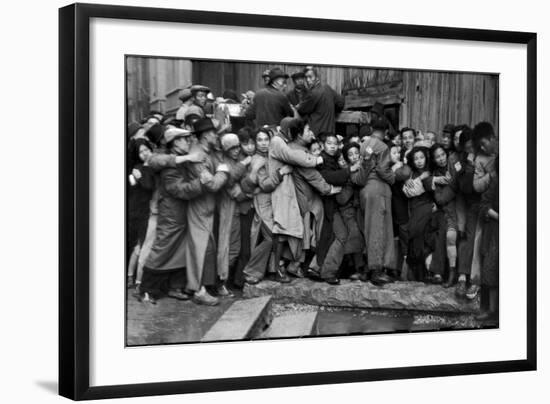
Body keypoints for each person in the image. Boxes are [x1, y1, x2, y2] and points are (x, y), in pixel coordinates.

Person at [138, 128, 204, 304]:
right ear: (175, 143)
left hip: (179, 214)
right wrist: (200, 183)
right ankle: (146, 289)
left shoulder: (179, 160)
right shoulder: (169, 164)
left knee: (179, 249)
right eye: (184, 139)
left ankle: (174, 287)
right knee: (162, 248)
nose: (188, 142)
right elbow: (179, 190)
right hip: (171, 214)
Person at [267, 118, 328, 282]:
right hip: (281, 191)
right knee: (282, 231)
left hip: (287, 191)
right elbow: (293, 157)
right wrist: (317, 160)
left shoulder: (285, 143)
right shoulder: (279, 142)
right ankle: (278, 269)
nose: (311, 133)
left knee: (289, 232)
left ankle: (285, 267)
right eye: (308, 130)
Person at [185, 118, 232, 305]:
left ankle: (204, 286)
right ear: (205, 136)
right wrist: (223, 171)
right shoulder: (197, 155)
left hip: (207, 207)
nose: (216, 136)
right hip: (199, 207)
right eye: (213, 133)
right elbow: (211, 184)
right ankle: (198, 291)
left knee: (208, 248)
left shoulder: (206, 150)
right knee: (201, 249)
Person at [350, 125, 396, 285]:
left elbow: (358, 179)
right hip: (379, 190)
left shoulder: (362, 146)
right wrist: (393, 177)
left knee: (368, 229)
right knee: (379, 229)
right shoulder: (382, 146)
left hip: (365, 192)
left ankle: (368, 269)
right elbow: (383, 170)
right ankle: (377, 271)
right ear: (385, 131)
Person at [314, 133, 361, 284]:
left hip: (333, 207)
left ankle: (323, 270)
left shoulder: (332, 159)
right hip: (328, 207)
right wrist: (349, 171)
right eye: (329, 143)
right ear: (323, 145)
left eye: (335, 143)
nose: (333, 146)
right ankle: (327, 272)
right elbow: (330, 177)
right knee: (341, 236)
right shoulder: (322, 160)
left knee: (339, 236)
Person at [241, 128, 281, 284]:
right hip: (262, 203)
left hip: (273, 202)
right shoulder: (257, 159)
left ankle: (270, 270)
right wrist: (281, 174)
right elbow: (265, 185)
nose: (264, 143)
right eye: (260, 140)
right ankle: (252, 270)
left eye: (266, 139)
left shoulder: (271, 156)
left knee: (273, 237)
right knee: (271, 237)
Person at [216, 133, 251, 295]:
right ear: (225, 150)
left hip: (236, 210)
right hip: (227, 209)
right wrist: (247, 194)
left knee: (234, 248)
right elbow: (229, 182)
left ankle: (224, 281)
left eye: (237, 147)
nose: (236, 150)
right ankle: (220, 281)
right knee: (228, 247)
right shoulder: (223, 162)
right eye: (232, 148)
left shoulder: (237, 160)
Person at [402, 146, 435, 282]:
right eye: (416, 159)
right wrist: (419, 179)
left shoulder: (432, 170)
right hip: (416, 208)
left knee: (425, 235)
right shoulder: (410, 174)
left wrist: (419, 182)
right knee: (414, 234)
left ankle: (429, 271)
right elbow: (408, 192)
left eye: (422, 157)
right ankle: (417, 273)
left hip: (429, 207)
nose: (419, 161)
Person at [428, 143, 459, 286]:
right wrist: (451, 185)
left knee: (450, 236)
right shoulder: (436, 175)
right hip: (445, 212)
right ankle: (439, 273)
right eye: (437, 157)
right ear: (433, 160)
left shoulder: (454, 166)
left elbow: (459, 186)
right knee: (442, 233)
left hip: (458, 210)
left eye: (442, 155)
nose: (441, 159)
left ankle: (454, 275)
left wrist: (451, 183)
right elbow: (439, 199)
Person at [126, 139, 156, 287]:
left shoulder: (155, 165)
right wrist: (140, 176)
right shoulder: (138, 168)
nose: (145, 153)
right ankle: (132, 277)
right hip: (142, 210)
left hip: (151, 210)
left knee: (142, 245)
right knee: (140, 245)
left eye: (146, 150)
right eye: (141, 152)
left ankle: (133, 276)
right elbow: (148, 186)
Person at [475, 156, 499, 320]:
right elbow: (484, 205)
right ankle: (491, 310)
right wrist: (498, 216)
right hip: (496, 231)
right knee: (491, 268)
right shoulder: (496, 183)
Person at [388, 141, 412, 280]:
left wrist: (400, 166)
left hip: (402, 209)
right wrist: (393, 169)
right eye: (394, 153)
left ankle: (403, 271)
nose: (397, 155)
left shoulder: (403, 167)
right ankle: (393, 269)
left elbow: (404, 174)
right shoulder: (388, 168)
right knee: (394, 239)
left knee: (404, 239)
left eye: (398, 152)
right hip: (391, 209)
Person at [297, 66, 345, 136]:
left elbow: (301, 110)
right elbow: (340, 103)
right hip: (329, 132)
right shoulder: (327, 88)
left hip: (316, 134)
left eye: (310, 77)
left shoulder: (313, 93)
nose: (308, 80)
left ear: (317, 77)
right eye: (306, 77)